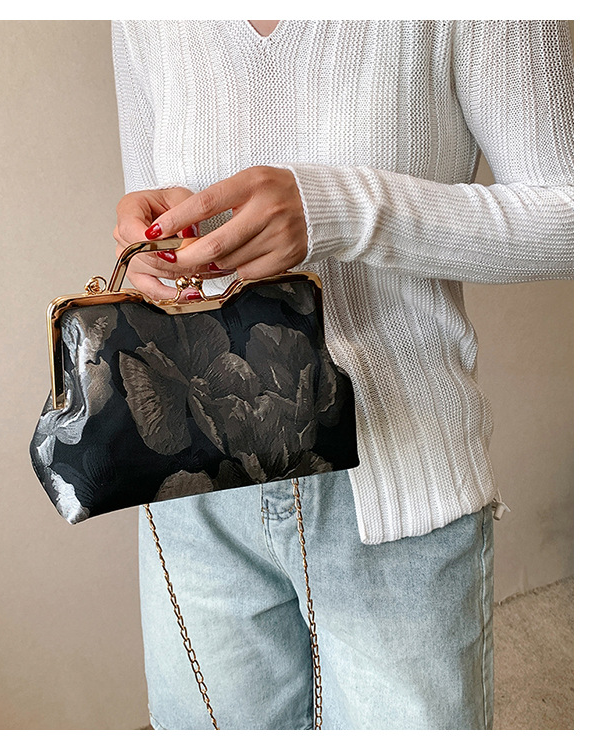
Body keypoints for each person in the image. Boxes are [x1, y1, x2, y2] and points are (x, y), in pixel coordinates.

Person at [110, 20, 574, 730]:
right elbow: (155, 206)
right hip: (194, 495)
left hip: (399, 487)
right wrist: (151, 249)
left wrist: (341, 210)